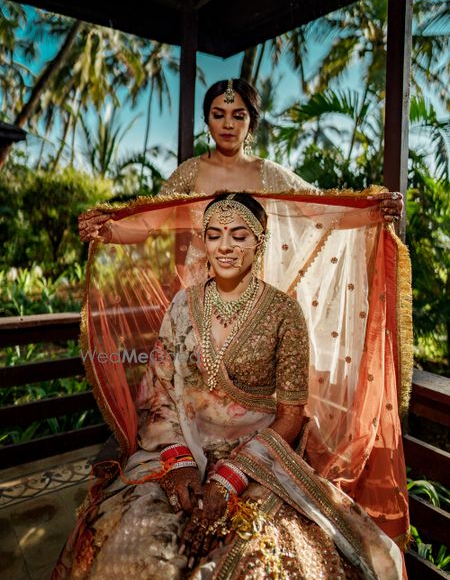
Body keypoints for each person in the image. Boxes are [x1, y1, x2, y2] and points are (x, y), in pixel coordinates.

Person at [54, 192, 408, 579]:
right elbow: (158, 390)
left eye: (239, 236)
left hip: (256, 459)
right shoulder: (182, 304)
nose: (225, 246)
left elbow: (290, 415)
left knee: (262, 560)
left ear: (259, 242)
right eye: (215, 234)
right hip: (177, 450)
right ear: (203, 241)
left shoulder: (283, 313)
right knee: (134, 547)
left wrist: (229, 479)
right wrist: (179, 460)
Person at [78, 79, 403, 244]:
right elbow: (148, 223)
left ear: (252, 123)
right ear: (207, 121)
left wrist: (374, 210)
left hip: (255, 297)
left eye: (239, 115)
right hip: (195, 294)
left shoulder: (268, 173)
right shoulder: (190, 172)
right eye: (219, 115)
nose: (229, 125)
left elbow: (320, 209)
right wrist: (106, 230)